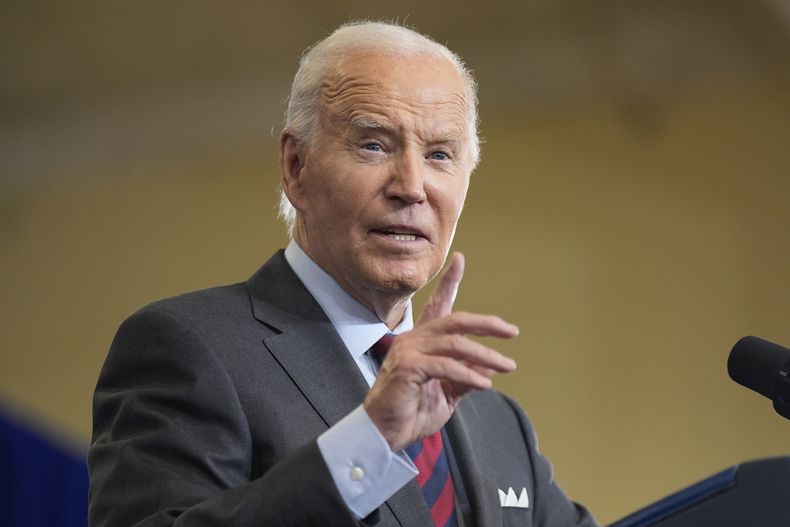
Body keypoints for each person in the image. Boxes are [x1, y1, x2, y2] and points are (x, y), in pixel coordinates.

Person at [88, 21, 598, 527]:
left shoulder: (497, 423)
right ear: (296, 166)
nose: (412, 186)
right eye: (374, 145)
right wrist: (370, 439)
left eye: (440, 154)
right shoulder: (189, 349)